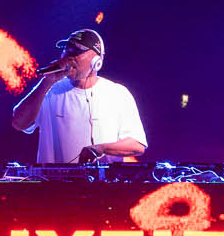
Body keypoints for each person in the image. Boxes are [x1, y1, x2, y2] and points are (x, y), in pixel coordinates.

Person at [8, 28, 147, 164]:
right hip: (53, 179)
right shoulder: (49, 90)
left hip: (101, 180)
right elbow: (18, 123)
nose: (68, 57)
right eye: (66, 50)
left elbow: (137, 145)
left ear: (96, 60)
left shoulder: (118, 94)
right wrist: (47, 82)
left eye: (76, 51)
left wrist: (102, 148)